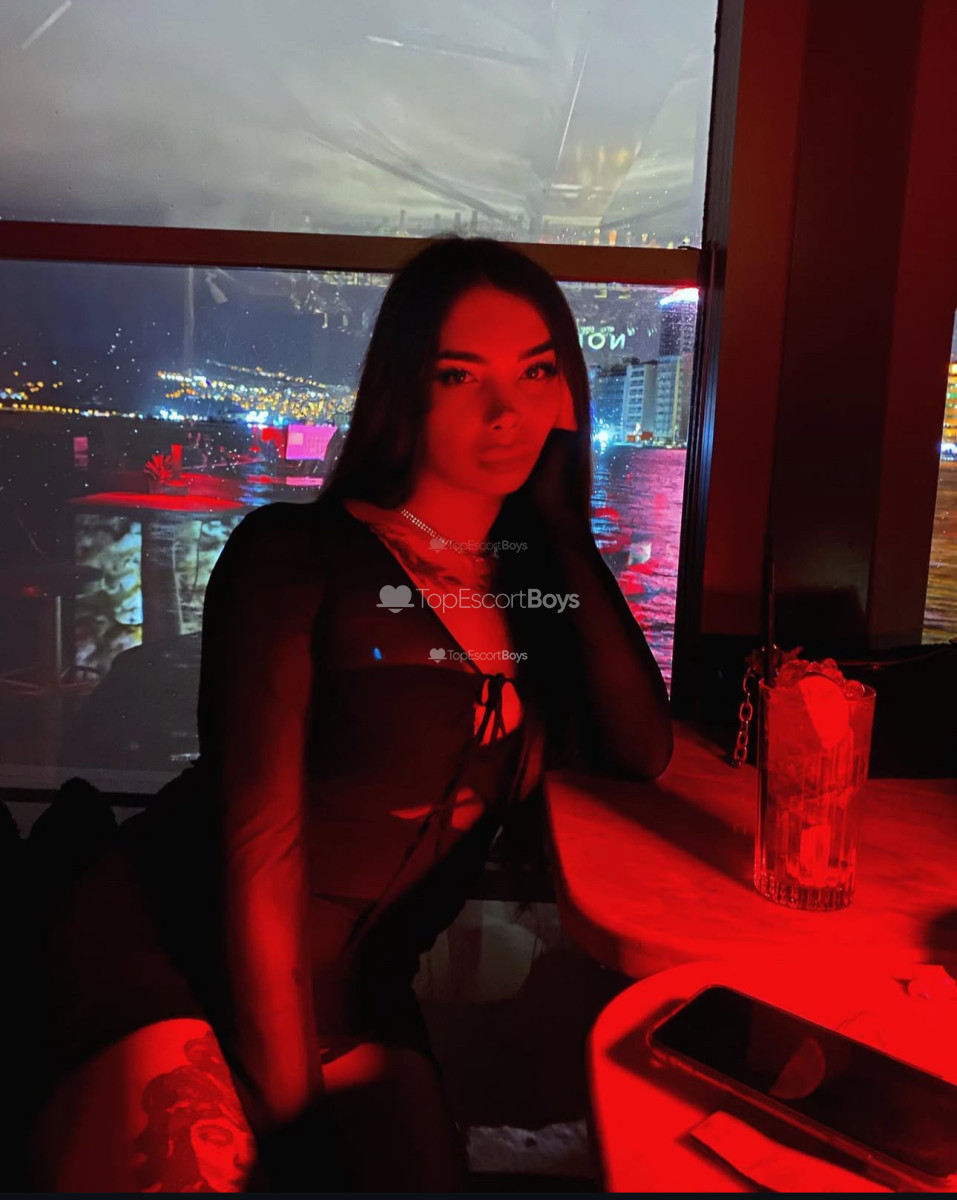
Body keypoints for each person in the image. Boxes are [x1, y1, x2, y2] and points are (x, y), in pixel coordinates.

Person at [22, 236, 673, 1191]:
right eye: (461, 375)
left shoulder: (536, 597)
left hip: (355, 993)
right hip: (172, 945)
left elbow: (640, 747)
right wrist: (291, 1132)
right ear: (406, 390)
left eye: (536, 373)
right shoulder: (293, 553)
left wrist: (565, 527)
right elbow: (259, 851)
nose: (505, 411)